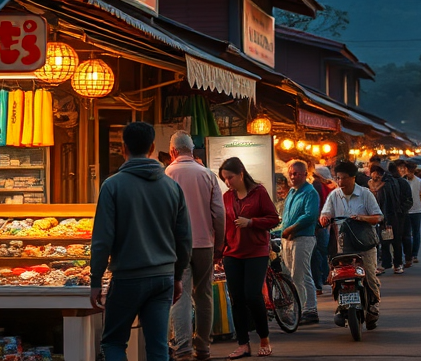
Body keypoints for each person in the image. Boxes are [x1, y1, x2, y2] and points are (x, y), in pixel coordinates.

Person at [90, 122, 191, 361]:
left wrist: (95, 279)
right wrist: (177, 277)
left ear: (123, 148)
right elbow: (185, 238)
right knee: (157, 347)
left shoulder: (112, 185)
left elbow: (102, 239)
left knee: (113, 343)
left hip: (127, 278)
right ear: (153, 147)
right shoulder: (172, 187)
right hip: (163, 278)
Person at [165, 131, 225, 361]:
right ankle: (203, 347)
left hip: (176, 247)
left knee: (178, 295)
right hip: (204, 244)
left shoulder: (167, 174)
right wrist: (218, 244)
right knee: (204, 295)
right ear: (192, 151)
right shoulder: (207, 175)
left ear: (173, 151)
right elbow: (219, 213)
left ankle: (182, 347)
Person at [219, 157, 279, 358]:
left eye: (230, 177)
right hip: (232, 253)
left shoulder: (259, 192)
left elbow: (273, 219)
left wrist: (251, 222)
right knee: (236, 298)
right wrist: (220, 252)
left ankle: (264, 338)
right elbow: (224, 225)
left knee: (252, 295)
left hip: (256, 252)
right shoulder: (227, 197)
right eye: (224, 179)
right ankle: (243, 343)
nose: (228, 182)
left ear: (241, 173)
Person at [320, 161, 384, 329]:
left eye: (343, 178)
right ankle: (342, 306)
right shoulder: (334, 195)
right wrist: (324, 219)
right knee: (337, 276)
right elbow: (325, 213)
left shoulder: (365, 194)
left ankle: (373, 306)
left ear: (353, 178)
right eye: (337, 178)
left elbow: (378, 217)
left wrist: (362, 218)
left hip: (365, 244)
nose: (340, 182)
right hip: (342, 245)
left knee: (370, 277)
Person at [280, 160, 320, 325]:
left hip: (303, 238)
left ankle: (307, 309)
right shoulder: (291, 192)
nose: (292, 176)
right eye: (290, 173)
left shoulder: (310, 192)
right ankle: (303, 308)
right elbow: (287, 217)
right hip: (288, 240)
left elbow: (309, 216)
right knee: (293, 274)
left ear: (305, 174)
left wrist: (291, 229)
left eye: (296, 173)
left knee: (300, 275)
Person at [311, 166, 336, 294]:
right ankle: (326, 277)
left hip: (319, 224)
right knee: (323, 252)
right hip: (327, 223)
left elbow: (317, 206)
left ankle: (320, 281)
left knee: (317, 254)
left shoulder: (316, 185)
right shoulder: (331, 187)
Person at [402, 160, 421, 266]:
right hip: (406, 210)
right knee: (407, 234)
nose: (409, 174)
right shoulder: (403, 181)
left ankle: (414, 254)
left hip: (416, 210)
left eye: (411, 172)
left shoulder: (419, 181)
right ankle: (408, 253)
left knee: (416, 233)